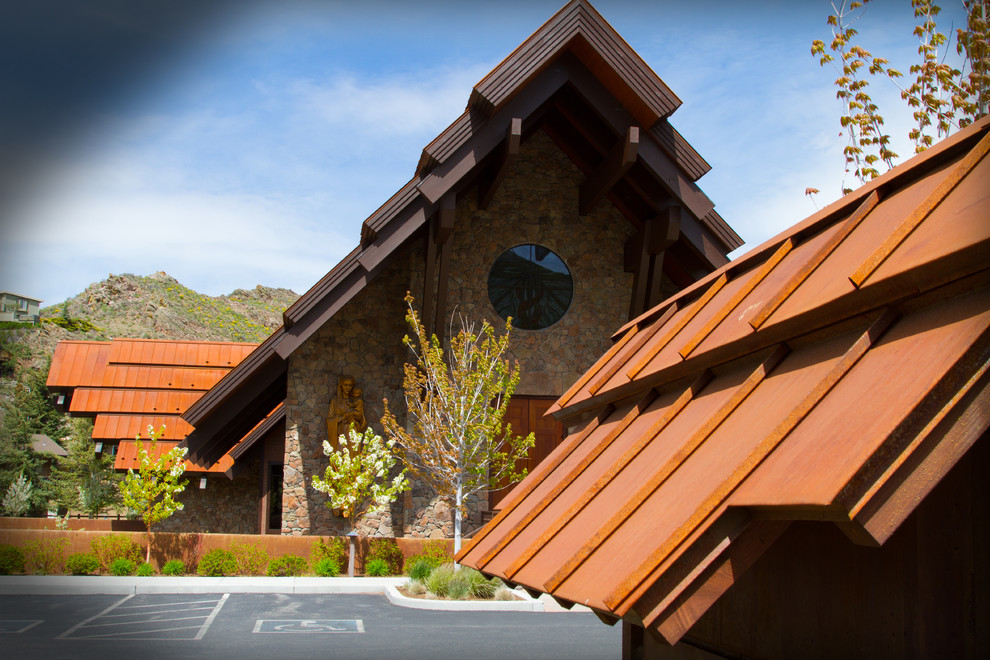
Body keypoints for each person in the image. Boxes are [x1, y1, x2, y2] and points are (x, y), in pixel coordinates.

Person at [327, 375, 366, 448]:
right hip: (341, 433)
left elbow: (361, 420)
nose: (348, 388)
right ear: (341, 386)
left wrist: (356, 417)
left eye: (350, 385)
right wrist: (342, 417)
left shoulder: (356, 401)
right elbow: (329, 420)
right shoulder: (335, 401)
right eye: (346, 385)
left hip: (353, 432)